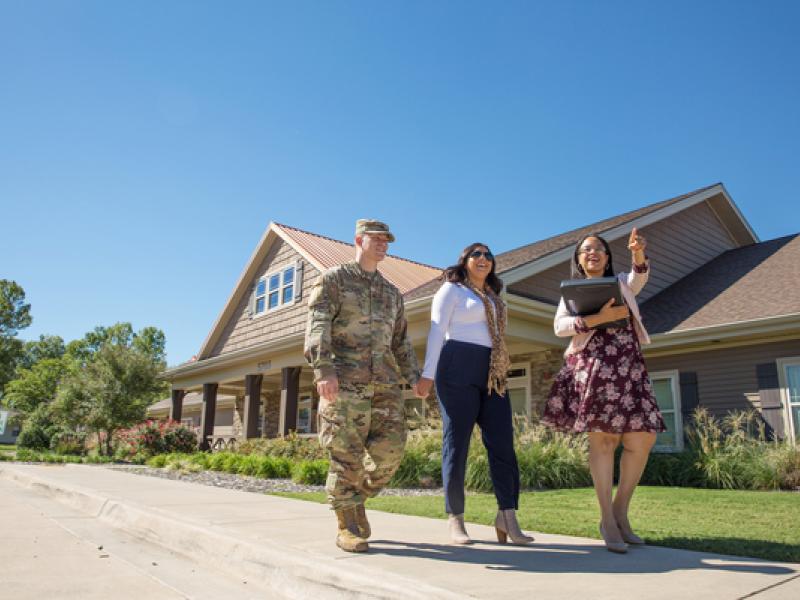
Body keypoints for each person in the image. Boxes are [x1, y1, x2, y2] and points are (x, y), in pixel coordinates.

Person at [541, 228, 666, 553]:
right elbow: (559, 327)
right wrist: (600, 318)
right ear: (579, 260)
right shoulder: (571, 292)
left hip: (628, 365)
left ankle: (620, 510)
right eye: (585, 250)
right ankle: (607, 520)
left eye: (598, 249)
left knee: (642, 437)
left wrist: (638, 252)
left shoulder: (623, 283)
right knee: (604, 439)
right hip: (593, 367)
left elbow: (641, 277)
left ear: (608, 257)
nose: (592, 253)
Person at [304, 219, 420, 553]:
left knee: (391, 453)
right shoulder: (333, 280)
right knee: (345, 456)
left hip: (384, 386)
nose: (384, 244)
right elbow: (318, 325)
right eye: (378, 239)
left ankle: (355, 498)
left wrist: (415, 377)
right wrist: (323, 368)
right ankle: (346, 525)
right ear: (359, 239)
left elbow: (400, 341)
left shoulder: (391, 292)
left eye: (388, 241)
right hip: (343, 384)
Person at [415, 243, 534, 546]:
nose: (483, 259)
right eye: (476, 255)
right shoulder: (452, 290)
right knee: (457, 443)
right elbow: (436, 330)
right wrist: (427, 374)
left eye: (488, 256)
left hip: (491, 371)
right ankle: (456, 519)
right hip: (456, 366)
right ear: (465, 261)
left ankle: (507, 516)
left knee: (503, 445)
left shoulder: (494, 298)